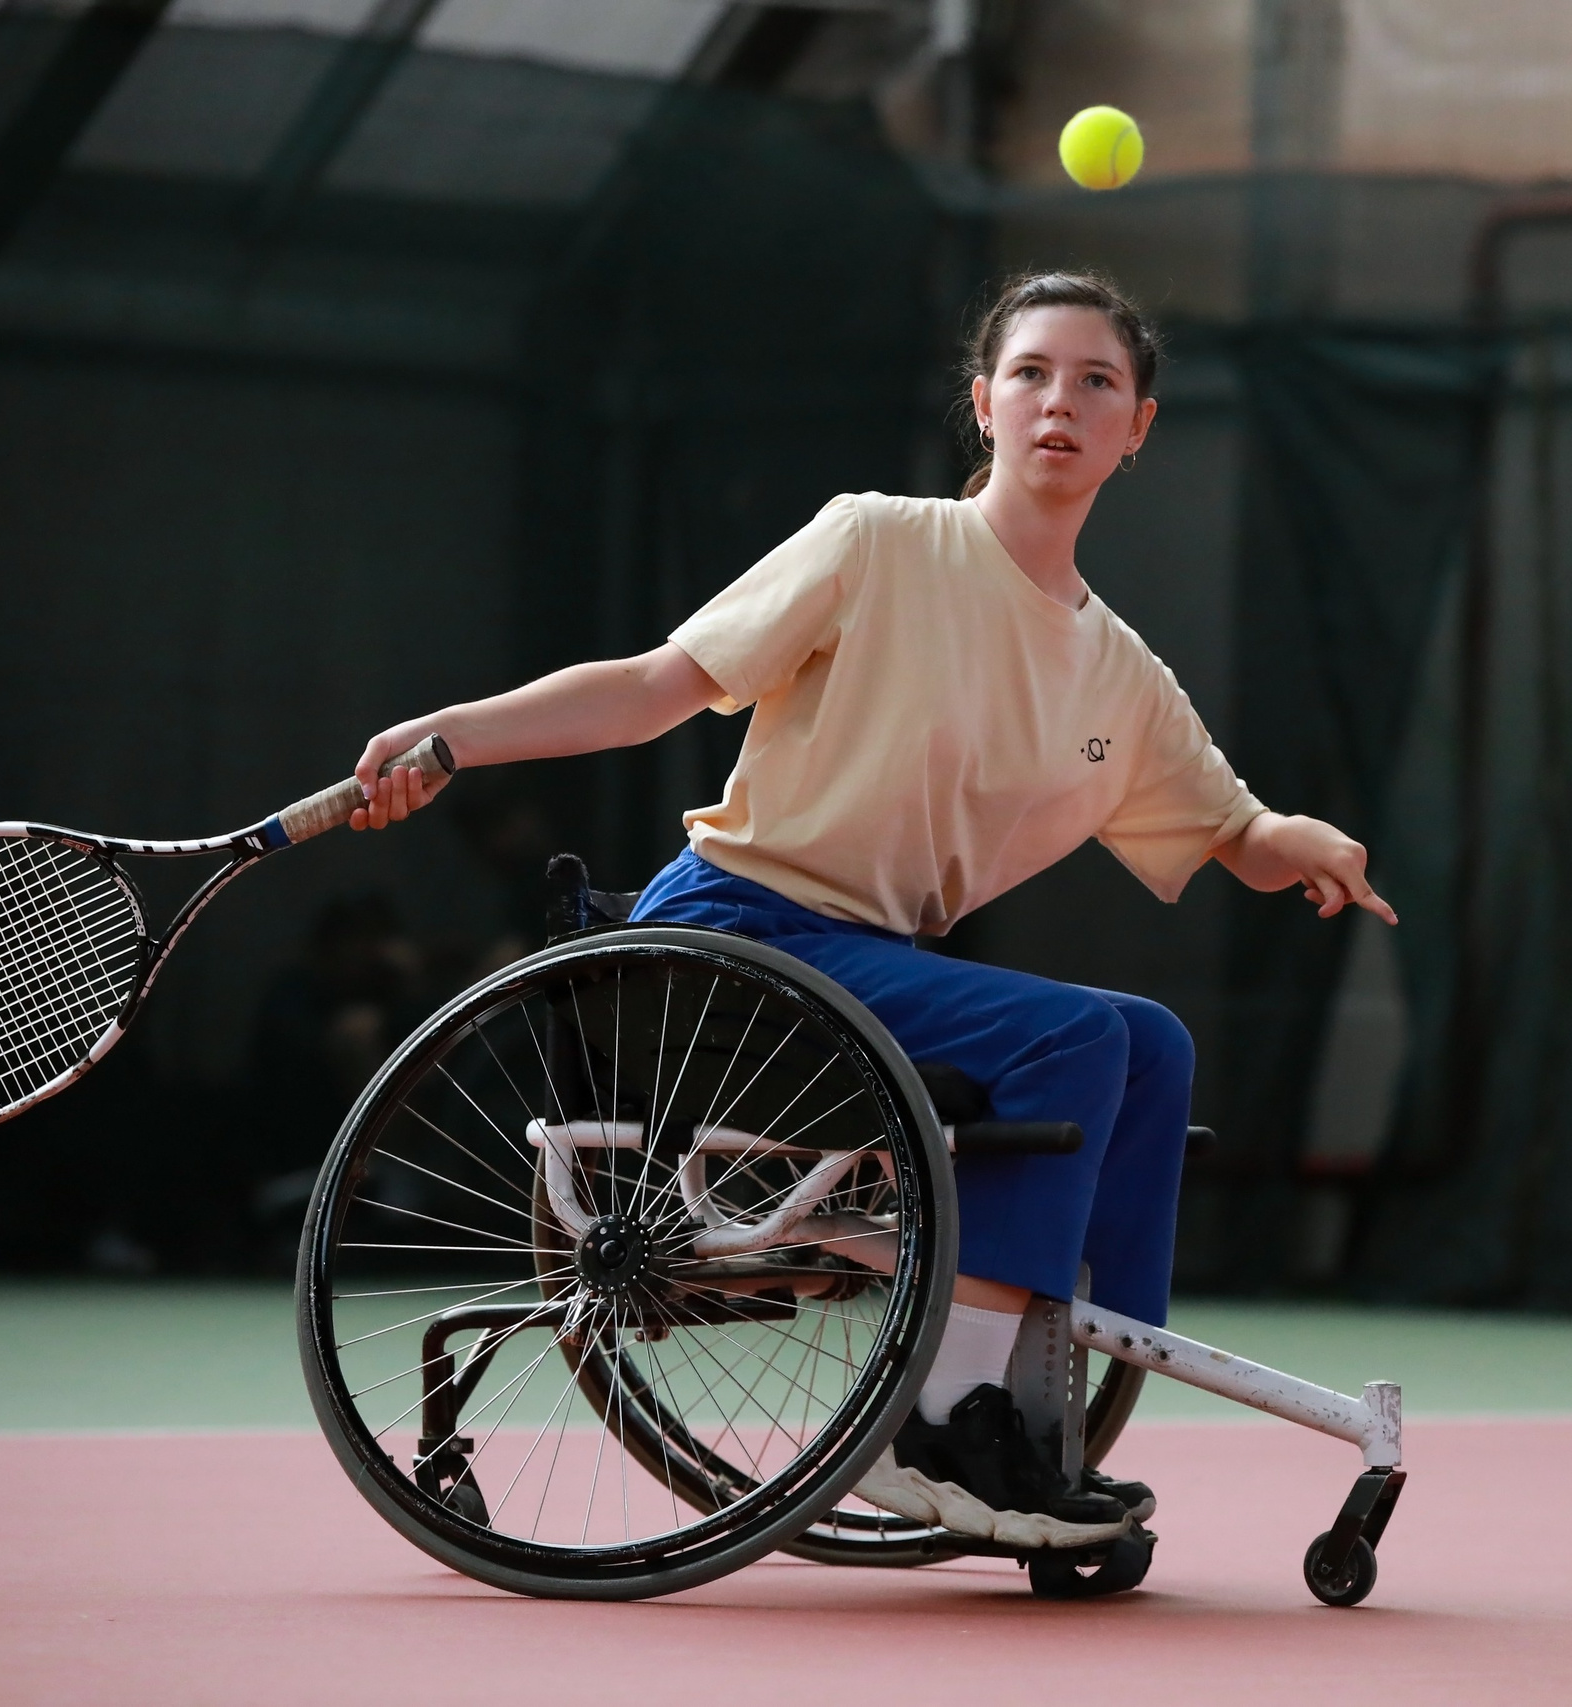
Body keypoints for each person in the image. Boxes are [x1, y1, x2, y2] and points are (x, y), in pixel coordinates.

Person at [342, 271, 1395, 1545]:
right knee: (1073, 1038)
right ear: (984, 405)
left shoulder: (1116, 667)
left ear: (1138, 429)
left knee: (1151, 1041)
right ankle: (940, 1431)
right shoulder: (879, 540)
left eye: (1096, 382)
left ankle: (1031, 1417)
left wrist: (1302, 840)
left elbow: (1233, 832)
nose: (1060, 401)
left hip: (864, 972)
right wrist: (456, 735)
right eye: (1032, 375)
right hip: (739, 941)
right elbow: (657, 683)